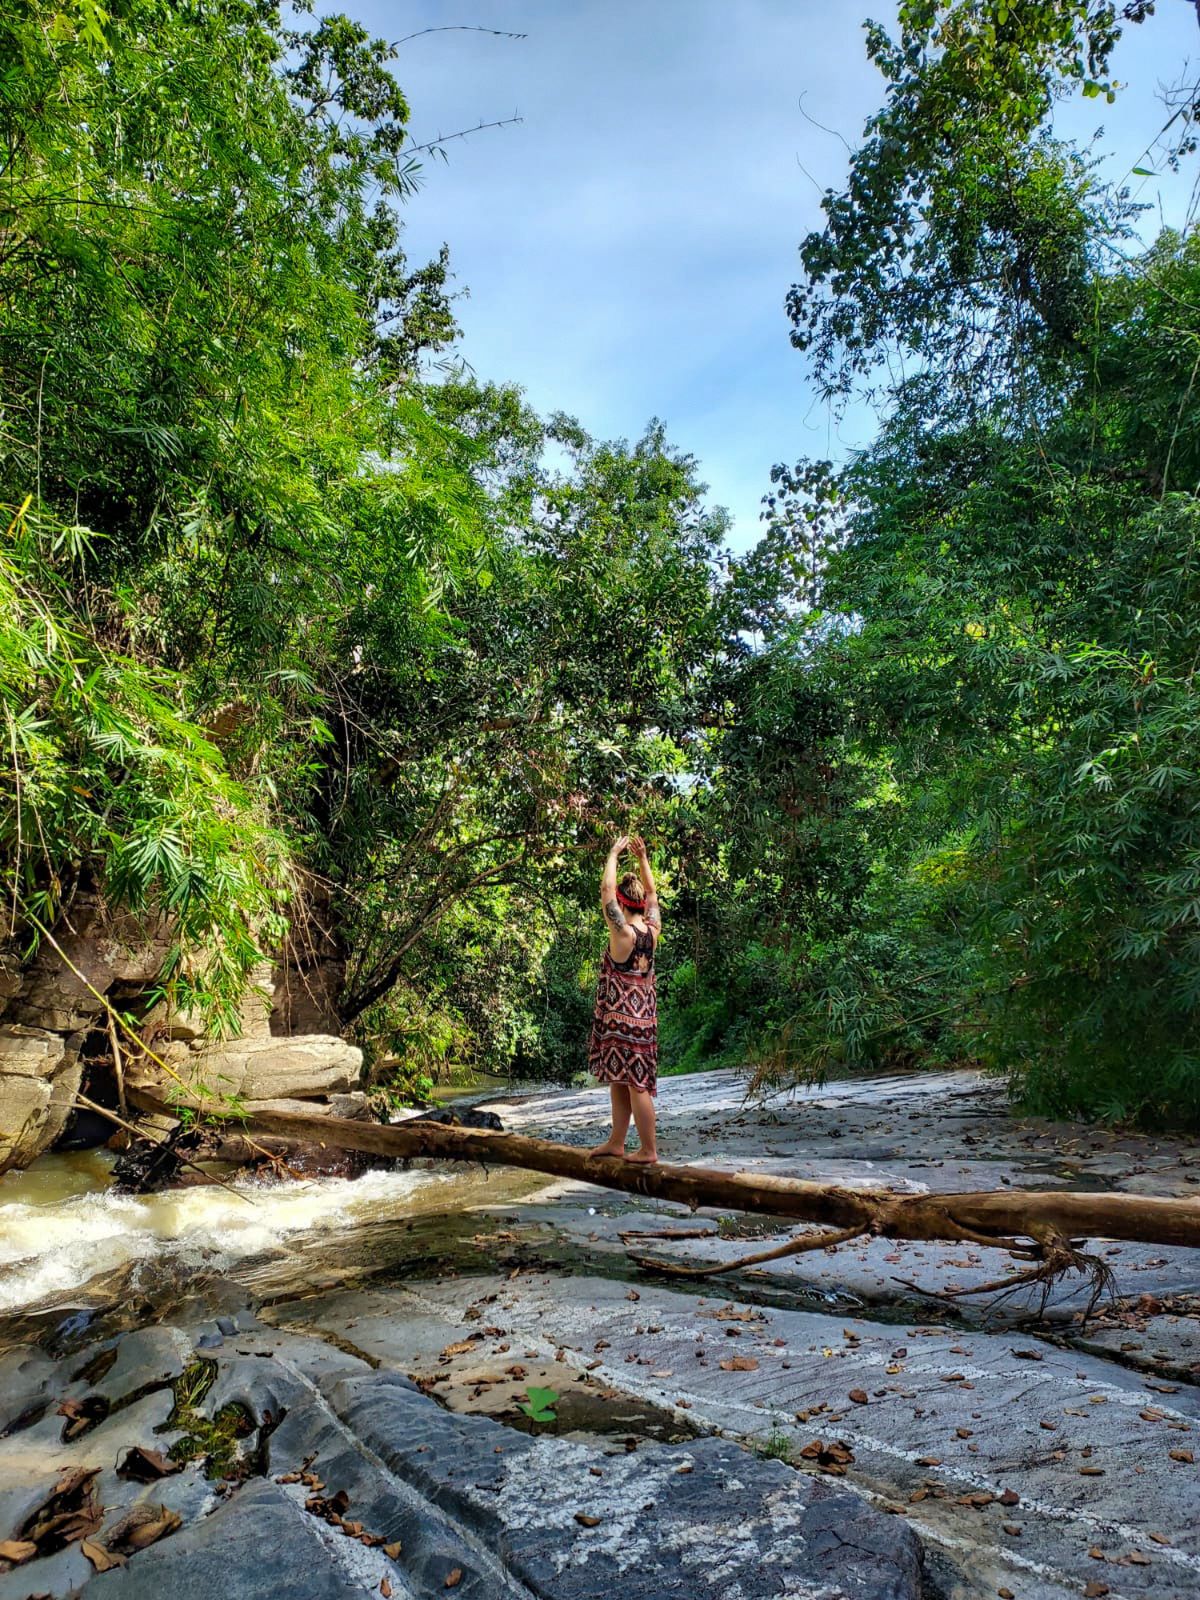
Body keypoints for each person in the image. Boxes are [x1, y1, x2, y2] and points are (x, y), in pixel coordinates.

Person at [587, 833, 661, 1163]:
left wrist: (614, 854)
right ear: (641, 904)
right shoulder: (652, 932)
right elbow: (653, 894)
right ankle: (617, 1142)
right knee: (622, 1080)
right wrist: (643, 858)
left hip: (621, 1022)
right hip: (645, 1019)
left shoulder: (622, 933)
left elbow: (605, 892)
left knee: (637, 1086)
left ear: (621, 901)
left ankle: (648, 1150)